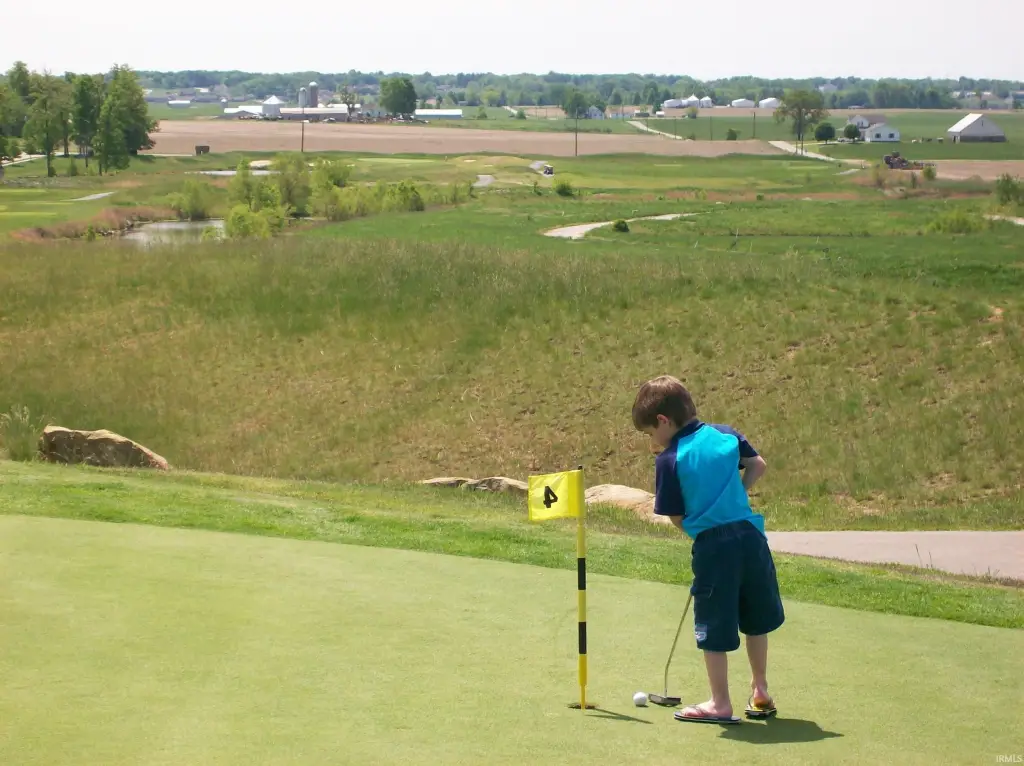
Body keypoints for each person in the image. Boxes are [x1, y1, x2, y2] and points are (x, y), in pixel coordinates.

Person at [632, 375, 785, 723]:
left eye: (650, 432)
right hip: (752, 537)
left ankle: (720, 703)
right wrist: (737, 493)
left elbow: (675, 516)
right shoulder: (725, 434)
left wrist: (701, 532)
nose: (652, 441)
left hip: (714, 545)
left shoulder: (670, 459)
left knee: (714, 624)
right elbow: (757, 464)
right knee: (755, 617)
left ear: (663, 421)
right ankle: (760, 691)